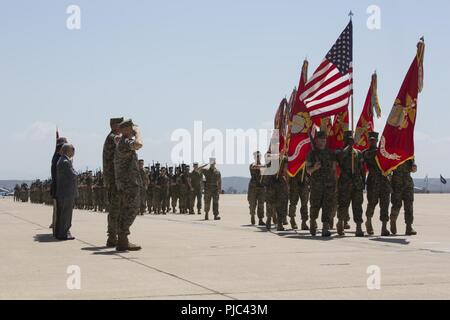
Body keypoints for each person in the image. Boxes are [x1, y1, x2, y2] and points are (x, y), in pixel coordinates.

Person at [114, 119, 143, 251]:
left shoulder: (122, 141)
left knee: (125, 209)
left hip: (126, 183)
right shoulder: (125, 142)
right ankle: (123, 239)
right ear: (126, 130)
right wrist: (138, 133)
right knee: (132, 209)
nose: (133, 130)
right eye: (131, 128)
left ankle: (122, 240)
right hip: (128, 183)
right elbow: (138, 144)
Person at [306, 131, 337, 237]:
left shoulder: (331, 153)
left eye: (324, 139)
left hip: (329, 185)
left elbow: (333, 169)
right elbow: (308, 171)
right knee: (315, 206)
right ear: (316, 140)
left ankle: (325, 228)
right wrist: (315, 167)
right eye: (321, 139)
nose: (323, 141)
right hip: (316, 185)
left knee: (327, 206)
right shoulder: (312, 154)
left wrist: (334, 183)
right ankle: (313, 222)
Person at [335, 131, 366, 237]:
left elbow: (362, 168)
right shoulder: (340, 152)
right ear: (344, 141)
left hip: (357, 183)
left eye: (351, 140)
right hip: (345, 183)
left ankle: (359, 227)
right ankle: (340, 222)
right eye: (348, 140)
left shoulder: (358, 153)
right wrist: (348, 148)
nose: (350, 143)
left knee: (357, 206)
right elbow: (340, 158)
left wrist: (363, 180)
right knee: (343, 205)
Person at [363, 132, 391, 236]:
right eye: (371, 140)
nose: (372, 142)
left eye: (374, 140)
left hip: (384, 181)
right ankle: (368, 221)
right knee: (372, 203)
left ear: (377, 141)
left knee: (385, 204)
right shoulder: (366, 153)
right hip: (373, 182)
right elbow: (372, 155)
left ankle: (384, 227)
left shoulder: (383, 152)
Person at [103, 117, 123, 248]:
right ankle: (112, 237)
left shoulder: (112, 137)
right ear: (114, 125)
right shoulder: (113, 138)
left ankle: (113, 236)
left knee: (116, 208)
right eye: (120, 125)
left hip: (114, 179)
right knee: (116, 208)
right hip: (115, 180)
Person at [54, 144, 77, 241]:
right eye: (73, 150)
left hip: (64, 192)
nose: (74, 153)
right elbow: (73, 175)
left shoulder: (62, 160)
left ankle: (61, 233)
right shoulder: (65, 162)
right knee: (66, 214)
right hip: (66, 192)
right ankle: (63, 234)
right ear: (68, 151)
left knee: (64, 213)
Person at [390, 159, 417, 236]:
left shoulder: (409, 154)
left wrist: (414, 167)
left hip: (408, 184)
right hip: (396, 184)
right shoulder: (393, 154)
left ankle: (409, 227)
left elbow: (413, 169)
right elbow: (388, 169)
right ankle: (393, 220)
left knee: (409, 206)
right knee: (396, 204)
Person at [50, 137, 68, 229]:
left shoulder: (56, 157)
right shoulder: (60, 159)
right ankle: (59, 229)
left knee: (58, 210)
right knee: (60, 211)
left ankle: (56, 228)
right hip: (60, 189)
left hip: (57, 188)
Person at [248, 151, 266, 226]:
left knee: (261, 204)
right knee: (252, 203)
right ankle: (252, 215)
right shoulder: (252, 165)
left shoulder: (263, 165)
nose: (258, 157)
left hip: (261, 187)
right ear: (254, 157)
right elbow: (254, 167)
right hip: (253, 187)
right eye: (257, 156)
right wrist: (264, 167)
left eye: (259, 156)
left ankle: (260, 219)